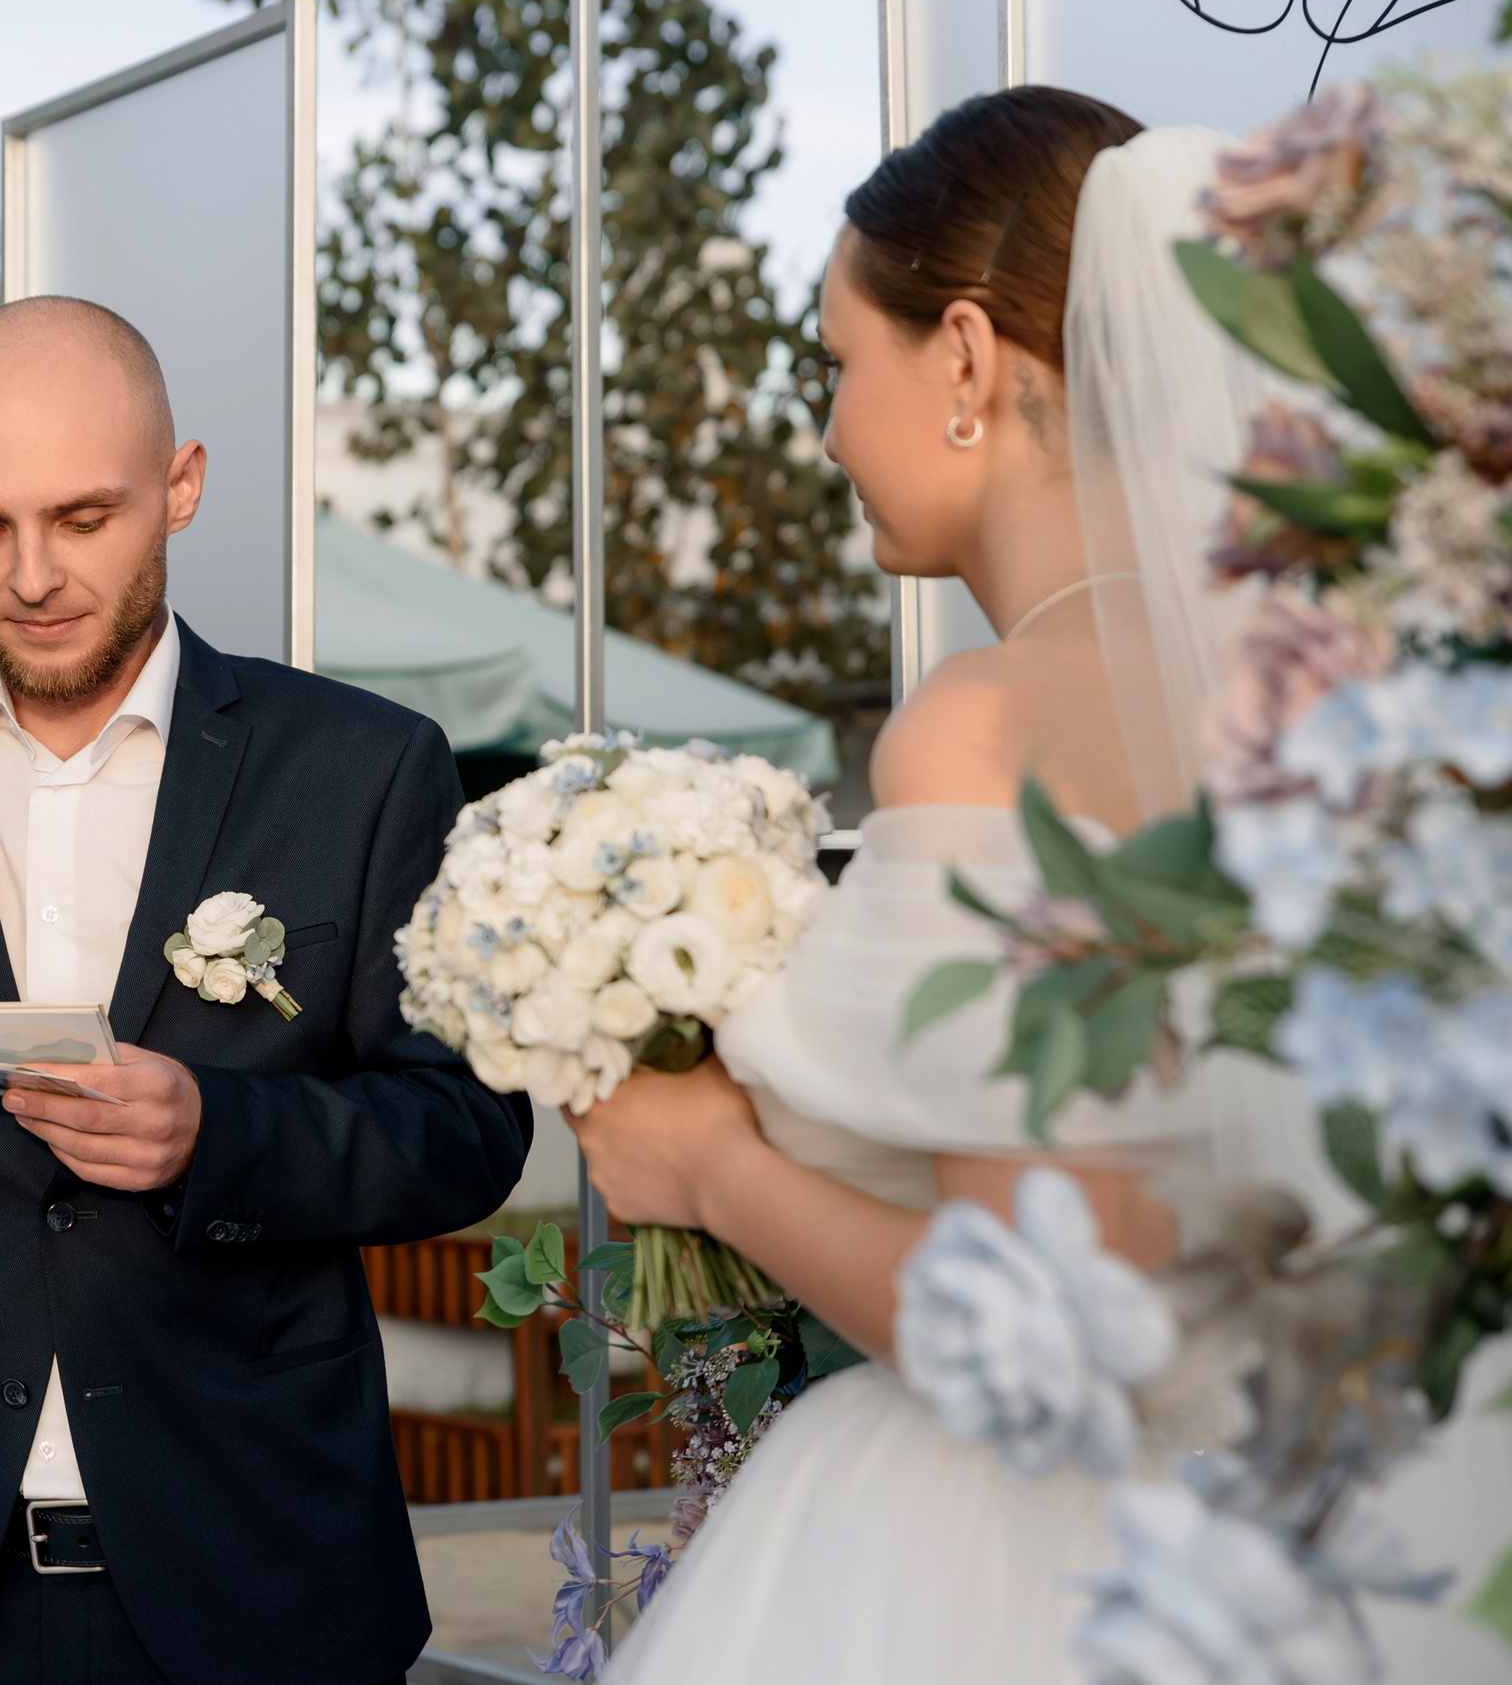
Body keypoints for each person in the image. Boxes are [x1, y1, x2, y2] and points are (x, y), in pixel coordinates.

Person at [577, 86, 1512, 1685]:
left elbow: (1047, 1324)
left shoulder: (988, 724)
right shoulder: (1335, 694)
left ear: (958, 357)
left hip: (1020, 1575)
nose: (824, 431)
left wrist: (707, 1167)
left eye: (834, 367)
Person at [0, 295, 530, 1685]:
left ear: (181, 486)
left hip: (261, 1575)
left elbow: (467, 1130)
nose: (30, 574)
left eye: (83, 518)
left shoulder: (364, 768)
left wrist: (219, 1133)